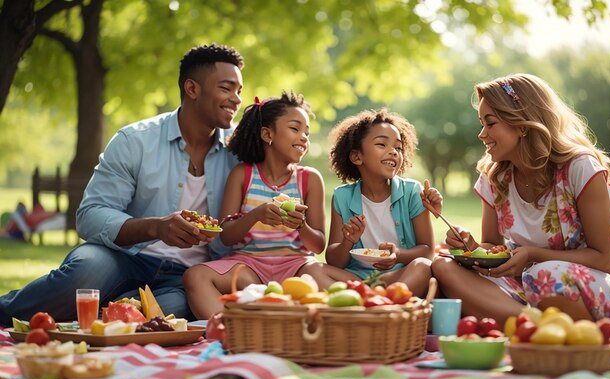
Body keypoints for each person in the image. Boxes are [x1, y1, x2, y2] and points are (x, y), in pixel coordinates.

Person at [0, 43, 245, 325]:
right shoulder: (135, 141)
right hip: (121, 257)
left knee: (167, 308)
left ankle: (103, 312)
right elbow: (90, 215)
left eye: (239, 90)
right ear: (192, 89)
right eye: (227, 88)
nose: (236, 99)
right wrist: (156, 227)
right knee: (85, 273)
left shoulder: (238, 152)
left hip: (188, 274)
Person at [432, 73, 610, 325]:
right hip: (529, 282)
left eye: (490, 123)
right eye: (482, 124)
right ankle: (532, 324)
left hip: (600, 286)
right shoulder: (495, 177)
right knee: (443, 266)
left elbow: (604, 258)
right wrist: (471, 246)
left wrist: (533, 255)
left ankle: (552, 328)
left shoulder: (580, 167)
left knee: (544, 274)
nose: (482, 134)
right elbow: (492, 244)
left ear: (522, 124)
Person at [183, 91, 356, 319]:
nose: (304, 138)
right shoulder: (243, 175)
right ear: (267, 134)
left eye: (307, 132)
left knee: (353, 284)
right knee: (195, 276)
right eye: (295, 129)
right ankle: (228, 332)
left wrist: (301, 226)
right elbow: (225, 236)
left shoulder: (309, 178)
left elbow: (317, 246)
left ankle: (293, 320)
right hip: (248, 267)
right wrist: (256, 215)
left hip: (298, 267)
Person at [325, 108, 441, 297]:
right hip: (357, 279)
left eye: (398, 148)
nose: (393, 152)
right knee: (311, 269)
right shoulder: (342, 197)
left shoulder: (412, 192)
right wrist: (348, 241)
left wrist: (398, 254)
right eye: (382, 144)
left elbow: (427, 251)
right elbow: (334, 262)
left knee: (423, 267)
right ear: (357, 157)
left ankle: (371, 303)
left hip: (399, 276)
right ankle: (381, 301)